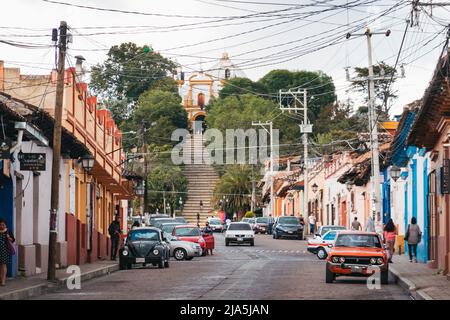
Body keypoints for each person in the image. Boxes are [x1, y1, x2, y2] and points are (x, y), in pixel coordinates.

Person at [0, 218, 15, 286]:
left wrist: (9, 237)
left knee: (3, 264)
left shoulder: (8, 231)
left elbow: (13, 240)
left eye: (3, 225)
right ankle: (1, 278)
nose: (1, 226)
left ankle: (3, 280)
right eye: (0, 225)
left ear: (5, 225)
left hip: (5, 250)